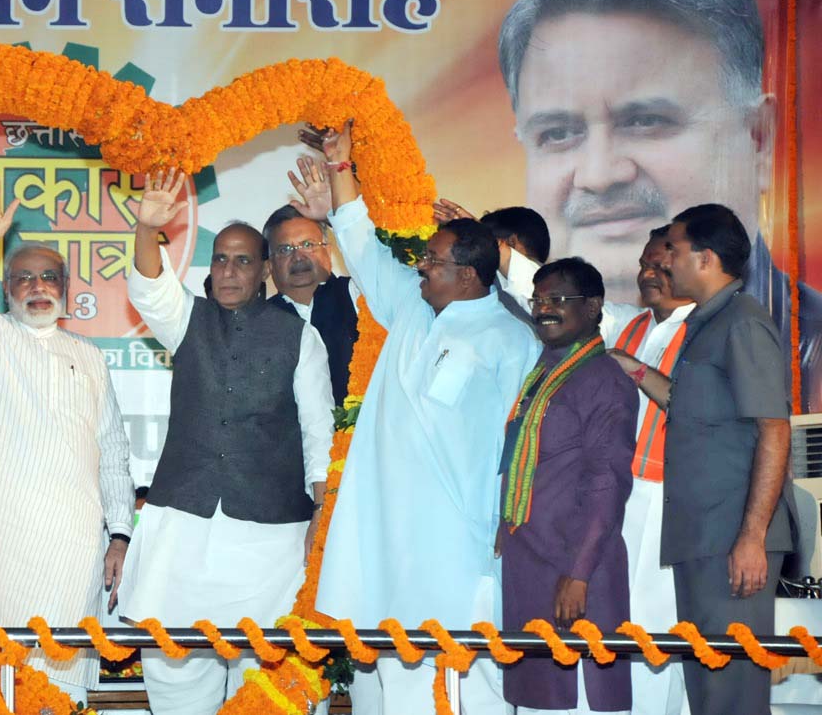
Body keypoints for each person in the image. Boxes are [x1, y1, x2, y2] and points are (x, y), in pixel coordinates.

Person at [497, 0, 821, 410]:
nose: (600, 175)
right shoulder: (533, 337)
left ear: (758, 138)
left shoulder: (805, 352)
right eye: (559, 132)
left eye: (646, 121)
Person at [299, 123, 539, 715]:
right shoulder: (410, 303)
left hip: (463, 535)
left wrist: (507, 524)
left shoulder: (511, 340)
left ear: (471, 274)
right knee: (396, 662)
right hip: (389, 529)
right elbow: (361, 245)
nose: (421, 267)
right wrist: (339, 167)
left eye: (433, 260)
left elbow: (524, 447)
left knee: (473, 676)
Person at [119, 170, 334, 715]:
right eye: (220, 259)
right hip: (181, 538)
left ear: (265, 270)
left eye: (243, 260)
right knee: (176, 683)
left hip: (270, 544)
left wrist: (322, 516)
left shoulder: (299, 337)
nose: (230, 270)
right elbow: (149, 287)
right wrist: (147, 229)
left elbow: (318, 432)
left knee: (263, 686)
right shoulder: (186, 320)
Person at [0, 176, 134, 703]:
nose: (37, 286)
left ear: (66, 290)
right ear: (7, 290)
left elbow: (114, 453)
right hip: (1, 539)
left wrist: (119, 532)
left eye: (48, 277)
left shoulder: (91, 357)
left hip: (76, 547)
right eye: (24, 278)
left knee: (62, 684)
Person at [658, 204, 792, 715]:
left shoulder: (742, 323)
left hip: (731, 540)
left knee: (731, 693)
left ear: (706, 257)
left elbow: (773, 430)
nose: (665, 259)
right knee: (709, 691)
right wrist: (629, 369)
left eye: (673, 247)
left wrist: (752, 538)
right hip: (702, 536)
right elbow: (695, 410)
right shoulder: (707, 323)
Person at [498, 258, 635, 714]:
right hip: (531, 558)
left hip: (575, 568)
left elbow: (606, 485)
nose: (544, 310)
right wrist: (508, 522)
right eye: (538, 300)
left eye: (558, 300)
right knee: (538, 701)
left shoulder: (604, 381)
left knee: (576, 699)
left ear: (594, 307)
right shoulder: (546, 369)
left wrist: (578, 574)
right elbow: (528, 456)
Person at [263, 192, 359, 407]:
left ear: (329, 250)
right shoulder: (259, 321)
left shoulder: (358, 294)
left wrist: (337, 216)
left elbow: (374, 256)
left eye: (308, 244)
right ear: (269, 265)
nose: (298, 256)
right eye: (285, 249)